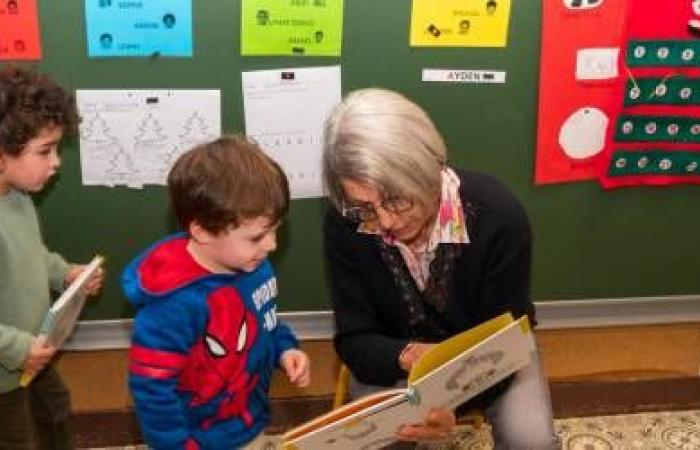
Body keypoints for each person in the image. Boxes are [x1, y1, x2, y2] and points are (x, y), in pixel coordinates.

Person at [322, 88, 559, 449]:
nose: (384, 221)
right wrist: (409, 356)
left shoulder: (498, 216)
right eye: (364, 206)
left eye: (397, 198)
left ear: (431, 169)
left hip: (493, 362)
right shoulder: (347, 223)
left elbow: (506, 339)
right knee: (379, 441)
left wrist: (451, 400)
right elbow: (355, 338)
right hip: (395, 365)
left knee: (532, 441)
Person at [122, 135, 311, 450]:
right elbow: (152, 389)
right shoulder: (173, 304)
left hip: (247, 421)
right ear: (202, 231)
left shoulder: (254, 266)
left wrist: (285, 349)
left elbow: (265, 322)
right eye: (257, 237)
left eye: (276, 229)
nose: (272, 245)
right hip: (197, 439)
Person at [0, 67, 104, 450]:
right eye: (44, 151)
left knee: (55, 411)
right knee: (17, 438)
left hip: (34, 351)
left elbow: (30, 255)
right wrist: (16, 349)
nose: (56, 162)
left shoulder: (17, 198)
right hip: (6, 368)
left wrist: (65, 275)